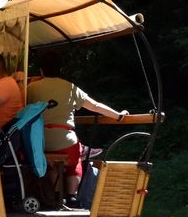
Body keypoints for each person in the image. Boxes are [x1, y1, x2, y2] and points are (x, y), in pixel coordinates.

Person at [26, 51, 128, 207]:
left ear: (41, 70)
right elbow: (95, 106)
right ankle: (72, 197)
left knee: (52, 164)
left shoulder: (31, 88)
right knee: (74, 163)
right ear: (61, 69)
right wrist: (118, 115)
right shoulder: (70, 88)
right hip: (65, 141)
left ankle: (56, 195)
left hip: (40, 142)